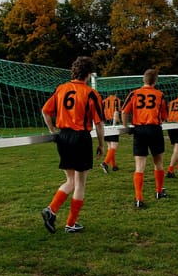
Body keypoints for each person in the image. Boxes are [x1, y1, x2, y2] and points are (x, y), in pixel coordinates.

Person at [41, 56, 105, 233]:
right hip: (80, 137)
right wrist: (101, 144)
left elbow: (45, 111)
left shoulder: (61, 89)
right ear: (89, 74)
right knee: (80, 183)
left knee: (70, 180)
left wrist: (53, 129)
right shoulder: (91, 93)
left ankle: (51, 211)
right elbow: (99, 123)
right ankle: (69, 222)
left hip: (63, 137)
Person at [121, 68, 168, 209]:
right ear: (155, 81)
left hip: (139, 130)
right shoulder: (160, 95)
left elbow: (124, 111)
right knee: (158, 162)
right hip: (154, 130)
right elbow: (164, 116)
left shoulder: (134, 93)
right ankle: (159, 191)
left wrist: (126, 127)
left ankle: (139, 199)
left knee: (139, 166)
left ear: (143, 80)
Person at [99, 94, 121, 173]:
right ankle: (105, 163)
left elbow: (100, 115)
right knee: (114, 147)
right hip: (112, 124)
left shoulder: (103, 102)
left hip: (105, 125)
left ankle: (114, 166)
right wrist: (114, 125)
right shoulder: (116, 100)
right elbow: (115, 112)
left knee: (110, 147)